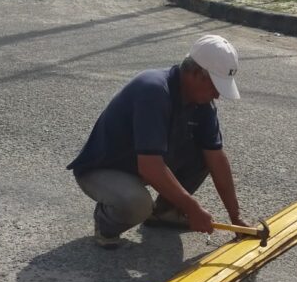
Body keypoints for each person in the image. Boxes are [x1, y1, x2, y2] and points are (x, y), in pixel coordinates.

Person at [67, 34, 247, 248]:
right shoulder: (153, 91)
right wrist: (191, 208)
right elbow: (150, 167)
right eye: (215, 86)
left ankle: (165, 213)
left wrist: (236, 218)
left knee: (205, 154)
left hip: (141, 164)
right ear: (196, 74)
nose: (217, 95)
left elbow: (216, 158)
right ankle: (107, 221)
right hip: (104, 170)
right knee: (137, 204)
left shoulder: (203, 104)